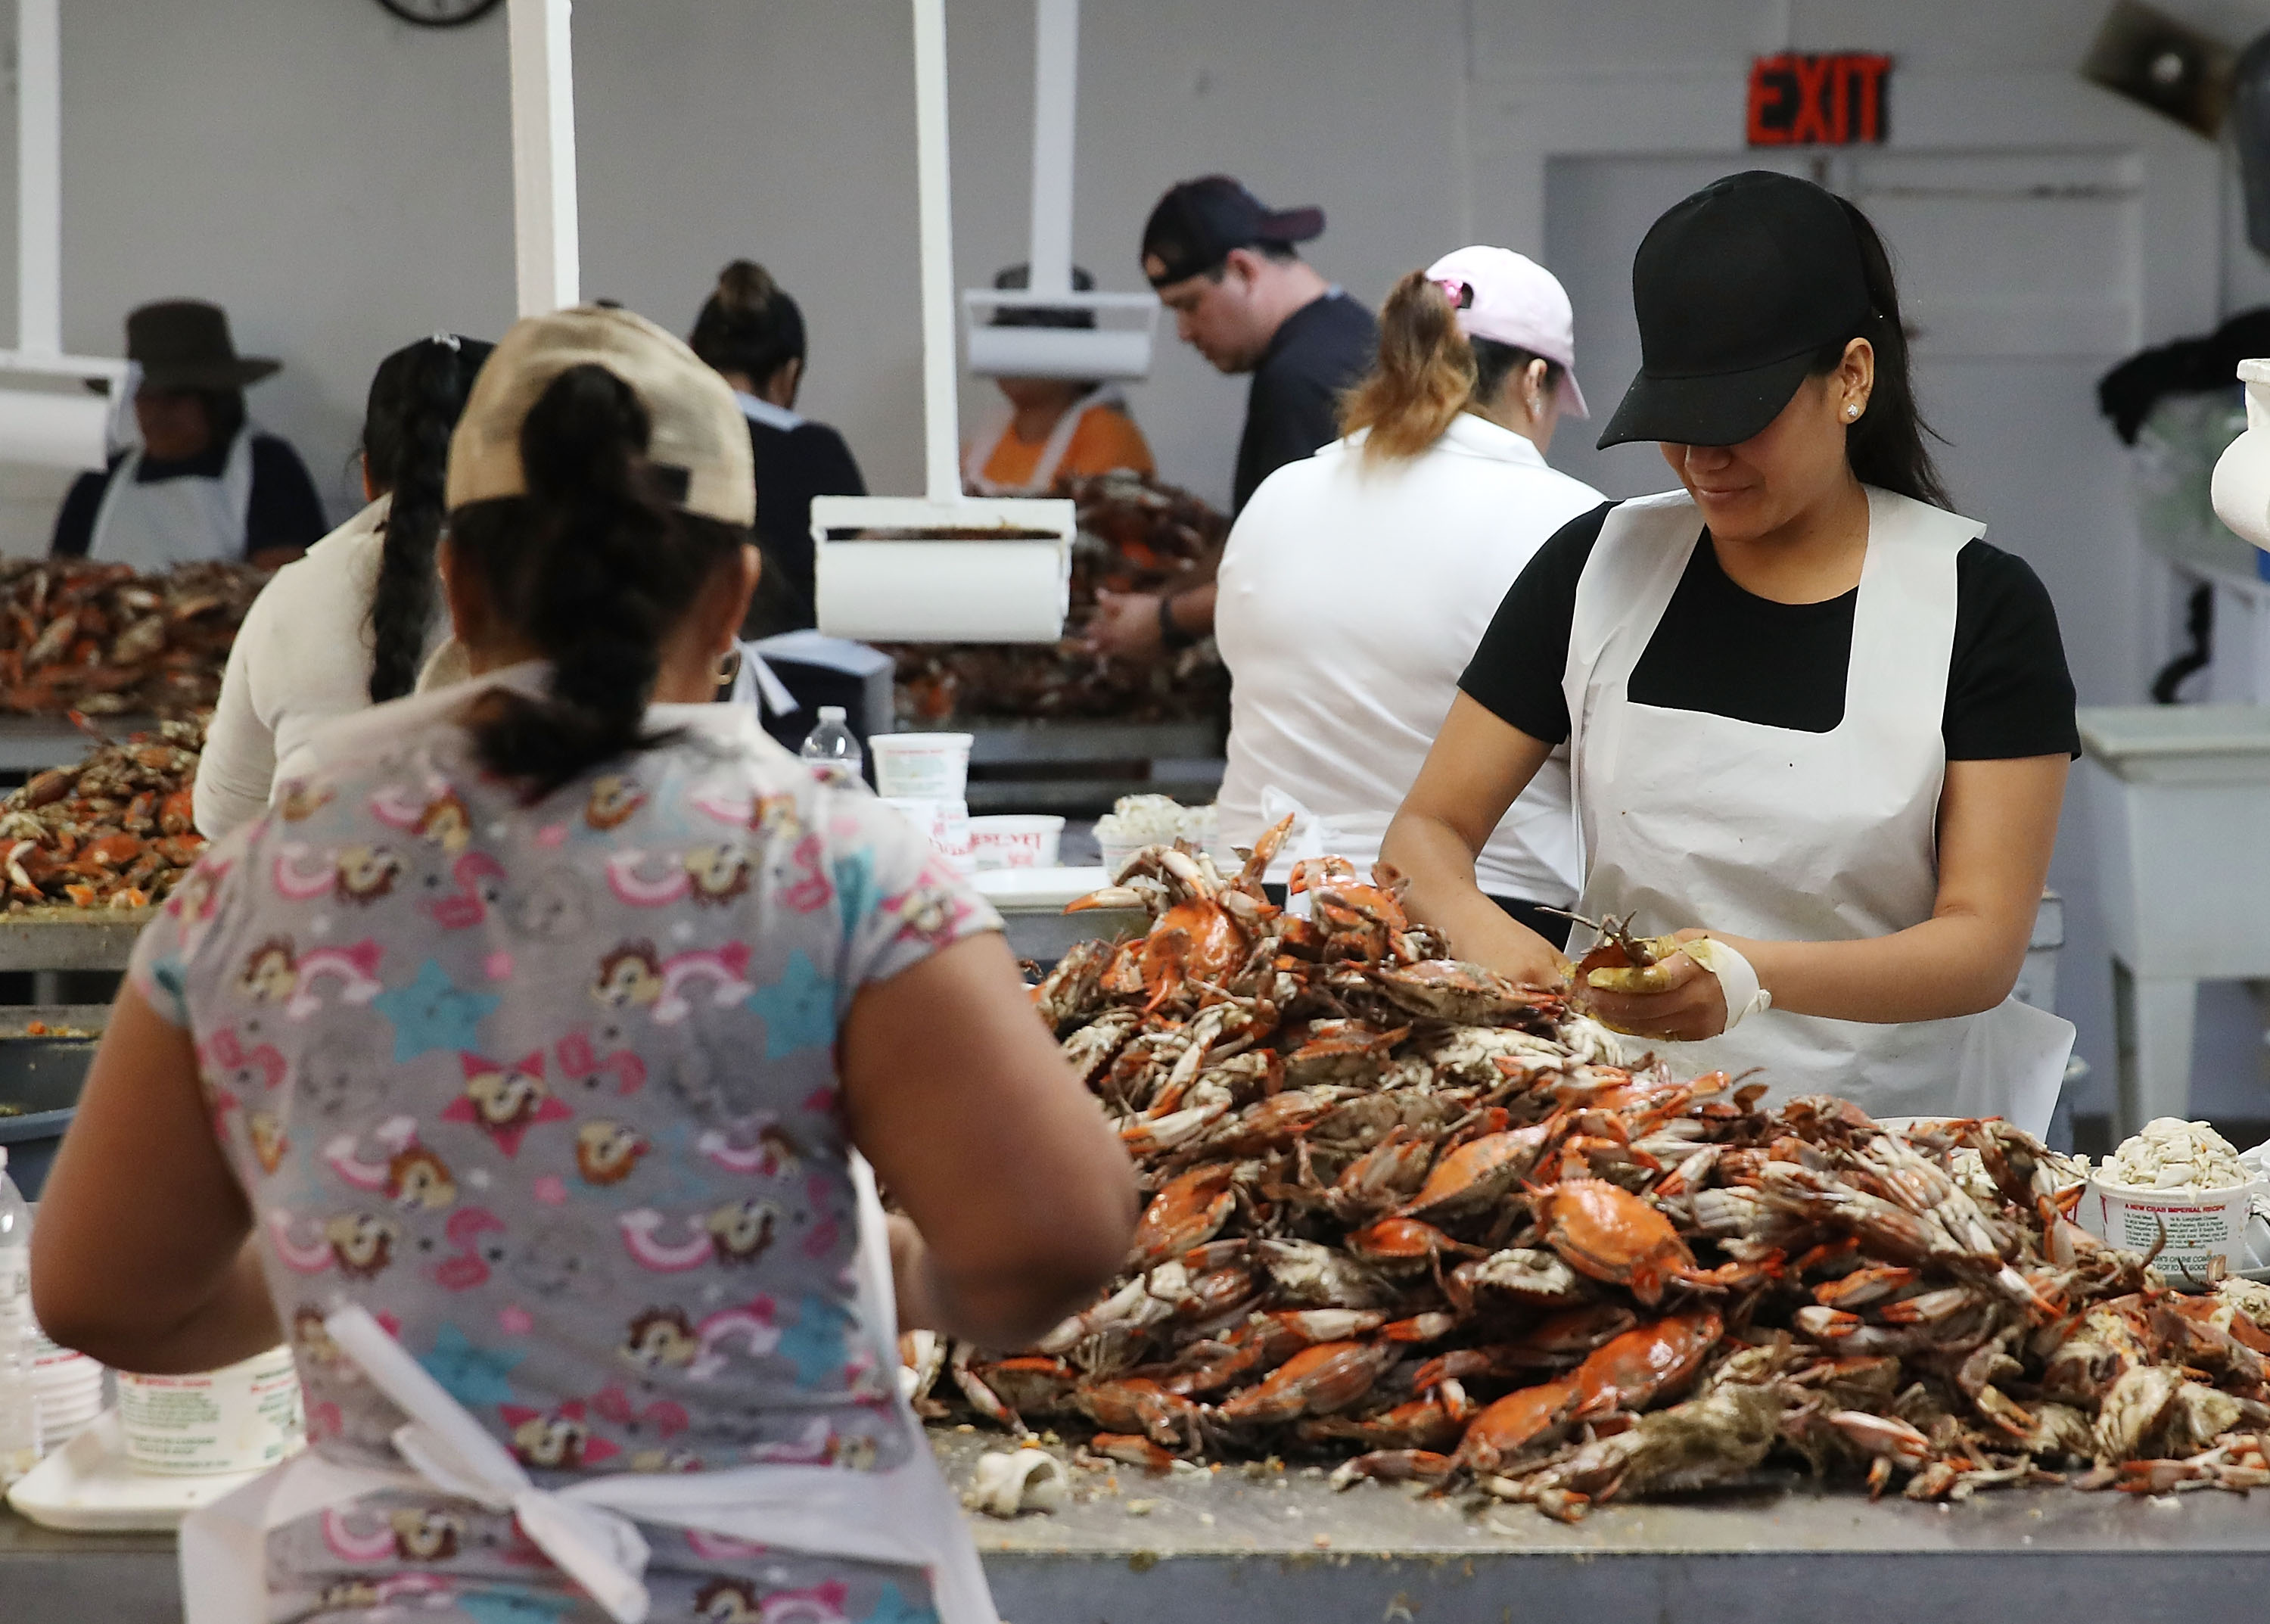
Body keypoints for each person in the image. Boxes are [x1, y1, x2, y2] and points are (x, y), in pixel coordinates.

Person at [32, 304, 1136, 1624]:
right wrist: (885, 1269)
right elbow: (1061, 1235)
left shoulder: (255, 890)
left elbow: (98, 1290)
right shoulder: (834, 865)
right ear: (730, 597)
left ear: (456, 583)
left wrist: (379, 1259)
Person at [1382, 172, 2079, 1131]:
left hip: (1892, 1148)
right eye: (1677, 424)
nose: (1703, 461)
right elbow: (1426, 835)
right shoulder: (1596, 567)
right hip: (1631, 1130)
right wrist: (1513, 958)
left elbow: (1982, 942)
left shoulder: (1980, 606)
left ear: (1851, 379)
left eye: (1740, 421)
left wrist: (1755, 977)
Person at [1215, 248, 1602, 944]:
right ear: (1536, 382)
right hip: (1483, 922)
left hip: (1258, 921)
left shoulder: (1278, 497)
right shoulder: (1568, 522)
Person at [193, 334, 495, 838]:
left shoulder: (290, 597)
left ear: (368, 475)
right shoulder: (549, 594)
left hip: (308, 904)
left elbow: (224, 817)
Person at [1087, 176, 1378, 660]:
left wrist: (1163, 622)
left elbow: (1285, 577)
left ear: (1243, 270)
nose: (1183, 332)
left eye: (1190, 305)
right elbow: (1258, 538)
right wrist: (1164, 598)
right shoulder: (1346, 335)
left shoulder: (1302, 379)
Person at [50, 299, 326, 569]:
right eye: (146, 395)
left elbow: (285, 582)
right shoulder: (97, 483)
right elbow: (62, 583)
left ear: (215, 400)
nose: (157, 412)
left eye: (175, 396)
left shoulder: (268, 468)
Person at [689, 260, 866, 636]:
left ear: (693, 356)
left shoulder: (664, 443)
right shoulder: (817, 451)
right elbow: (864, 576)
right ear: (789, 373)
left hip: (685, 674)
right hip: (812, 682)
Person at [962, 264, 1154, 496]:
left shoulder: (1108, 435)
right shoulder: (991, 433)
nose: (1014, 356)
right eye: (1007, 340)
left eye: (1031, 342)